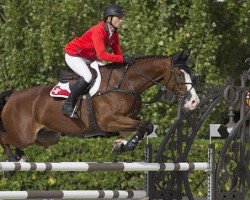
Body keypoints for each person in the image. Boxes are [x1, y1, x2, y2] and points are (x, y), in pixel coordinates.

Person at [62, 4, 135, 118]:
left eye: (121, 18)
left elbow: (117, 52)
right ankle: (68, 105)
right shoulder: (98, 30)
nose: (121, 20)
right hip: (74, 55)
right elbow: (102, 55)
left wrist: (124, 62)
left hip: (89, 57)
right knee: (88, 76)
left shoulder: (113, 33)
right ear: (108, 19)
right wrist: (122, 59)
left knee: (105, 72)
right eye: (118, 18)